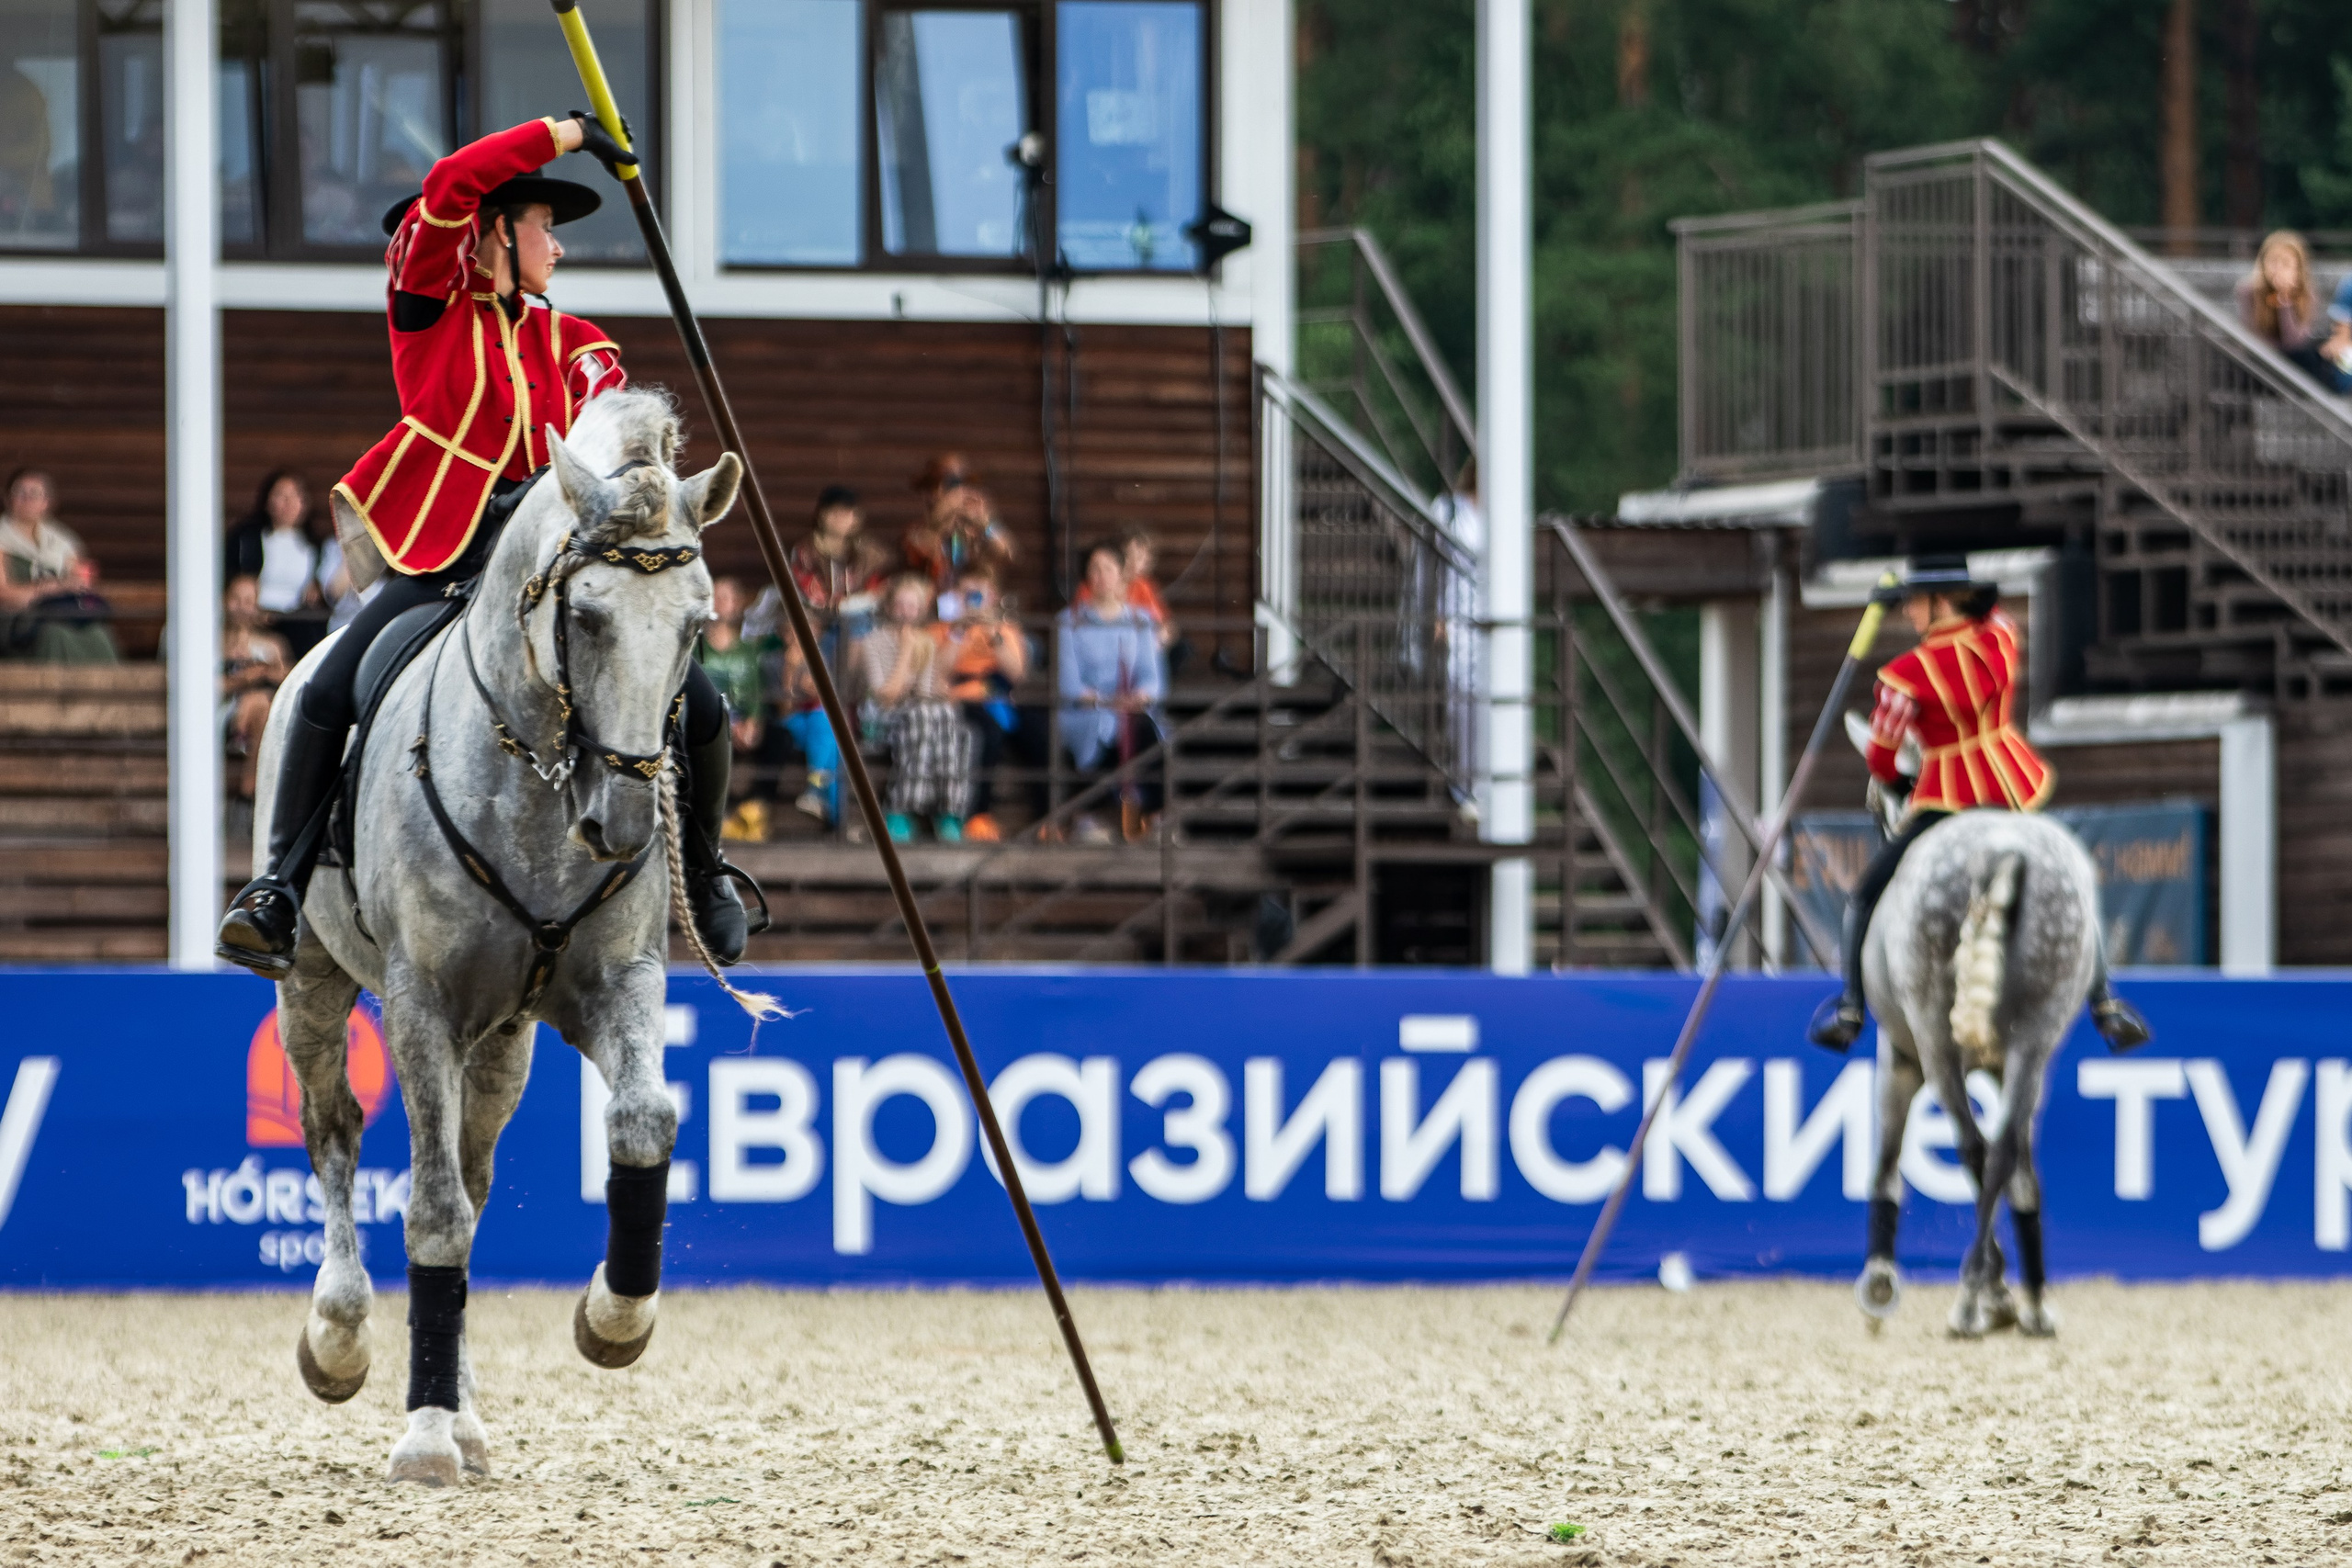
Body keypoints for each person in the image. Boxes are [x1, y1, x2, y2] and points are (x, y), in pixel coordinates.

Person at [216, 113, 758, 974]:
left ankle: (707, 870)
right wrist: (566, 134)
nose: (559, 248)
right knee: (328, 682)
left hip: (553, 570)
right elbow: (449, 187)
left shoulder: (579, 345)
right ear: (494, 230)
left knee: (700, 701)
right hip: (443, 561)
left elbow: (615, 437)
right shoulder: (429, 308)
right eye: (544, 226)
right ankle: (277, 888)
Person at [1805, 556, 2150, 1053]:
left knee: (1863, 897)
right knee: (2069, 884)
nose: (1908, 614)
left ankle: (1851, 1007)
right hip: (2008, 784)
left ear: (1940, 602)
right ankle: (2105, 1004)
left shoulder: (1904, 674)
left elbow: (1882, 753)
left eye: (1914, 604)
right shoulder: (2002, 639)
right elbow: (1993, 621)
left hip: (1944, 795)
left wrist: (1898, 780)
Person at [1055, 539, 1165, 844]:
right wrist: (1107, 701)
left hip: (1129, 707)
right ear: (1086, 577)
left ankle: (1156, 816)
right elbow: (1069, 684)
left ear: (1121, 574)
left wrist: (1139, 696)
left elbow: (1151, 677)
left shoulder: (1141, 621)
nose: (1101, 575)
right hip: (1084, 711)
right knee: (1104, 728)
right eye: (1095, 569)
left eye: (1108, 568)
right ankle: (1088, 815)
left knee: (1143, 729)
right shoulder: (1068, 623)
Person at [858, 572, 975, 842]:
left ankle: (948, 810)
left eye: (912, 607)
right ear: (889, 608)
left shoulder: (927, 642)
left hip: (916, 714)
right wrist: (906, 653)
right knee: (924, 715)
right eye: (900, 605)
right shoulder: (873, 642)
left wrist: (937, 685)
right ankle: (900, 808)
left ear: (921, 611)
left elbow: (924, 693)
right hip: (880, 717)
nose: (905, 613)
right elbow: (885, 696)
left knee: (945, 715)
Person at [935, 565, 1028, 841]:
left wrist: (993, 632)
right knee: (986, 733)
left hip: (998, 699)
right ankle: (977, 815)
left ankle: (1052, 820)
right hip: (960, 701)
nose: (974, 599)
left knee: (1040, 732)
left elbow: (1017, 673)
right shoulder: (944, 628)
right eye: (967, 593)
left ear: (993, 595)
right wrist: (960, 631)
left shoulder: (1005, 630)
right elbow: (938, 672)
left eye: (980, 593)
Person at [0, 468, 118, 663]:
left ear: (46, 502)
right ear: (8, 499)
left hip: (58, 614)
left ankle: (115, 691)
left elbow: (80, 580)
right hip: (18, 620)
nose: (27, 498)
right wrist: (49, 589)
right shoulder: (3, 537)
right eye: (20, 492)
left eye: (35, 493)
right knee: (56, 634)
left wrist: (78, 581)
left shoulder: (61, 540)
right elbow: (4, 594)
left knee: (97, 634)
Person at [223, 468, 331, 660]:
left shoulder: (314, 546)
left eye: (294, 496)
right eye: (281, 496)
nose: (288, 504)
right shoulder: (248, 538)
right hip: (256, 615)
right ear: (268, 501)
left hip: (296, 619)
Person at [695, 577, 769, 841]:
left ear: (737, 605)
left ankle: (755, 808)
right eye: (715, 596)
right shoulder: (696, 649)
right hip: (707, 721)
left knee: (780, 737)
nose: (719, 603)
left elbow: (758, 693)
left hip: (742, 721)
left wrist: (754, 721)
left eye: (726, 597)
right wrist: (728, 721)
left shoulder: (749, 651)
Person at [2234, 231, 2348, 394]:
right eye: (2273, 262)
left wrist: (2284, 302)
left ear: (2298, 268)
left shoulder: (2307, 294)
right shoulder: (2247, 291)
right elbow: (2253, 340)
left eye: (2286, 263)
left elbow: (2295, 341)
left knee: (2312, 357)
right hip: (2260, 361)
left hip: (2293, 358)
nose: (2278, 269)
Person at [220, 576, 289, 799]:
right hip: (221, 714)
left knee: (261, 703)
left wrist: (269, 671)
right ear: (224, 601)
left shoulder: (272, 645)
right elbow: (205, 687)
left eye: (249, 601)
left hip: (258, 717)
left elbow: (290, 681)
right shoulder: (213, 642)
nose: (242, 607)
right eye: (236, 599)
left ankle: (251, 785)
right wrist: (243, 679)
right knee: (260, 703)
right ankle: (251, 788)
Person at [901, 454, 1014, 590]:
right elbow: (927, 556)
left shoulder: (977, 530)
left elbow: (1008, 554)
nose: (961, 491)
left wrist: (986, 525)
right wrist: (944, 514)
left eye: (965, 482)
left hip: (976, 605)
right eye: (952, 483)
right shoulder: (918, 532)